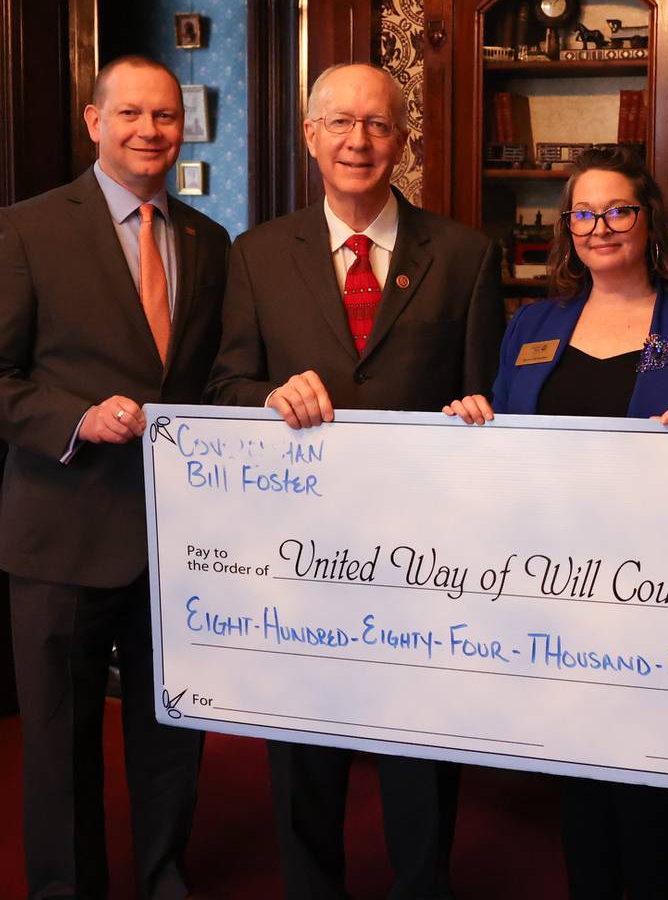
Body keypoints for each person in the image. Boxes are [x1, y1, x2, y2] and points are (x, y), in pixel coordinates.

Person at [205, 62, 504, 900]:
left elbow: (491, 405)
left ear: (402, 140)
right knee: (303, 753)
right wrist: (268, 396)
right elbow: (223, 387)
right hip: (301, 557)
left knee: (419, 753)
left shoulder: (468, 255)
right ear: (311, 137)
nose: (358, 141)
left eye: (376, 125)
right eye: (339, 123)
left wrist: (478, 414)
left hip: (426, 558)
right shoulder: (258, 255)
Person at [0, 55, 230, 900]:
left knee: (173, 728)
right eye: (133, 114)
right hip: (60, 533)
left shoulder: (207, 243)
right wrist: (74, 419)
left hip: (178, 542)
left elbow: (211, 381)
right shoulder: (27, 229)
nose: (151, 131)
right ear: (93, 120)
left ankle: (163, 876)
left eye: (168, 117)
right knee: (62, 739)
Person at [443, 144, 668, 898]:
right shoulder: (533, 325)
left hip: (660, 597)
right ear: (567, 227)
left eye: (618, 210)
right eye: (584, 212)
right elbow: (504, 449)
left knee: (647, 786)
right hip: (555, 590)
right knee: (575, 775)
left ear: (649, 223)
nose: (600, 227)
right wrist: (471, 418)